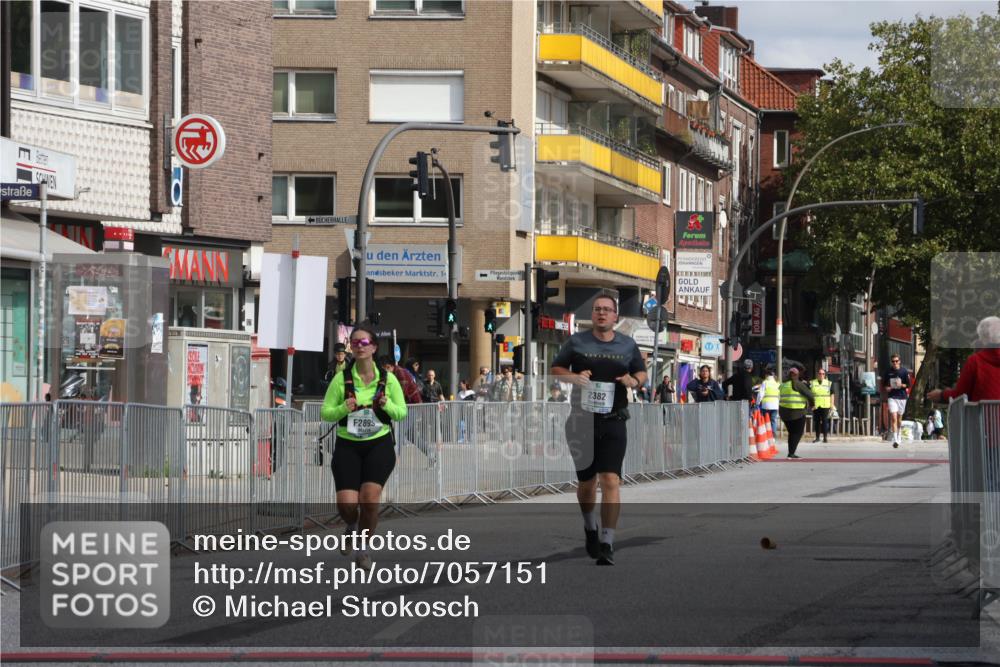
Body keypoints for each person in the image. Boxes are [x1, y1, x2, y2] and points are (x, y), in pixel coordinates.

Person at [552, 294, 646, 566]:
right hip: (581, 420)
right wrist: (574, 377)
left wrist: (633, 381)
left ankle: (607, 542)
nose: (601, 314)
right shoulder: (577, 341)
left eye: (607, 310)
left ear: (616, 316)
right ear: (592, 315)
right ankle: (590, 527)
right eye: (597, 310)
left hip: (614, 419)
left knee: (610, 480)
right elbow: (557, 368)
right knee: (586, 483)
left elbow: (642, 373)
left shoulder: (627, 344)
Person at [320, 323, 407, 571]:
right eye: (354, 343)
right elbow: (326, 413)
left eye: (363, 343)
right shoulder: (341, 379)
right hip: (348, 444)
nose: (358, 346)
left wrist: (386, 405)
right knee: (347, 505)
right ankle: (350, 526)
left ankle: (363, 548)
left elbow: (401, 413)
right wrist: (342, 409)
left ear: (373, 347)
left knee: (369, 499)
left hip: (378, 444)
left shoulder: (388, 380)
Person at [928, 316, 1000, 404]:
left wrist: (942, 395)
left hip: (981, 417)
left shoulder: (975, 361)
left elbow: (961, 395)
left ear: (983, 337)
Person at [780, 367, 814, 459]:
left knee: (792, 433)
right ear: (797, 375)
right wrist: (812, 404)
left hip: (784, 413)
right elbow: (810, 395)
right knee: (797, 433)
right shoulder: (798, 384)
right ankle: (791, 453)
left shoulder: (783, 385)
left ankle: (791, 453)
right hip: (797, 412)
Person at [882, 354, 911, 448]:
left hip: (902, 397)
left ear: (899, 361)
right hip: (892, 397)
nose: (895, 363)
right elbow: (884, 384)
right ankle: (895, 440)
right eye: (893, 361)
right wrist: (887, 388)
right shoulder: (888, 371)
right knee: (894, 417)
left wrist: (901, 385)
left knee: (899, 419)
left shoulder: (904, 371)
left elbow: (908, 385)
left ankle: (899, 435)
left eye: (896, 361)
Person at [810, 368, 834, 443]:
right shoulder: (812, 383)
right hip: (816, 405)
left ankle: (825, 437)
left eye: (823, 374)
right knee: (817, 422)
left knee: (824, 421)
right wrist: (811, 404)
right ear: (817, 374)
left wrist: (832, 405)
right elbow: (809, 394)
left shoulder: (829, 383)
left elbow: (832, 394)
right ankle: (817, 437)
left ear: (825, 375)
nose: (821, 375)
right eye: (820, 373)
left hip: (825, 405)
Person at [759, 367, 781, 435]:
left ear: (767, 375)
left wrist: (757, 403)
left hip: (766, 405)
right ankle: (773, 434)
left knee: (766, 420)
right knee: (773, 420)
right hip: (775, 405)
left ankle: (766, 434)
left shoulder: (765, 382)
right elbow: (780, 395)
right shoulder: (777, 383)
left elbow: (760, 394)